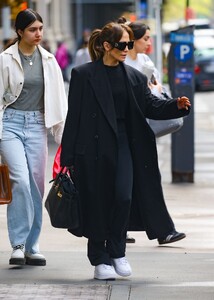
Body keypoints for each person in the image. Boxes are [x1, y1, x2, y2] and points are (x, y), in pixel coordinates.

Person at [60, 21, 191, 280]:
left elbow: (150, 106)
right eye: (122, 45)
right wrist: (68, 157)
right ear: (106, 46)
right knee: (97, 203)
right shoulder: (83, 74)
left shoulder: (134, 77)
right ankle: (100, 259)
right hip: (93, 149)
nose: (127, 49)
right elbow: (73, 116)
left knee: (123, 198)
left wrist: (175, 106)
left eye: (129, 44)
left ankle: (117, 251)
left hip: (124, 145)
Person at [0, 9, 67, 266]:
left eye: (40, 28)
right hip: (11, 125)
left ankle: (32, 245)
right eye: (32, 29)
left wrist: (63, 138)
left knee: (37, 186)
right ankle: (17, 245)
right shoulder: (5, 59)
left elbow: (59, 102)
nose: (38, 33)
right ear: (19, 32)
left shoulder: (49, 60)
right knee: (20, 181)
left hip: (38, 125)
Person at [117, 17, 186, 245]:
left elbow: (155, 95)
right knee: (124, 182)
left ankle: (164, 231)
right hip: (123, 133)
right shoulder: (122, 65)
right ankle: (120, 228)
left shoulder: (145, 62)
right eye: (145, 38)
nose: (149, 42)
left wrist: (174, 104)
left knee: (148, 181)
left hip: (142, 131)